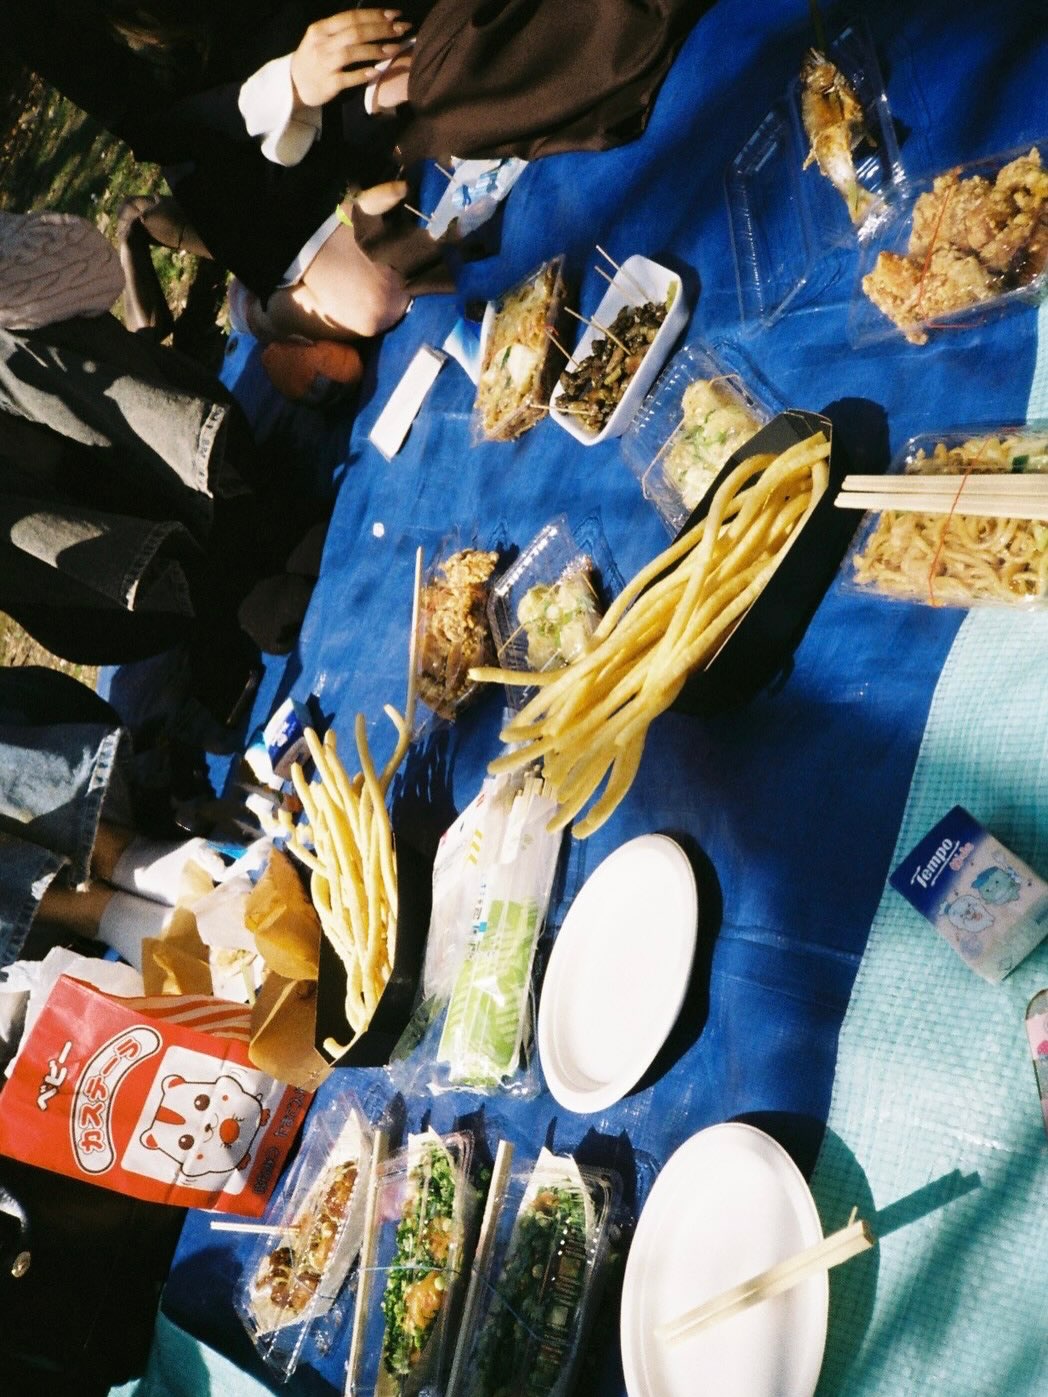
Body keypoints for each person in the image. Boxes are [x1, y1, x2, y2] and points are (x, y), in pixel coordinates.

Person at [10, 2, 712, 341]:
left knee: (445, 79)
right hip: (238, 133)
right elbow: (150, 122)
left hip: (359, 35)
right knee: (372, 300)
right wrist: (289, 84)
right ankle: (254, 300)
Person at [0, 208, 325, 675]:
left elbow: (88, 265)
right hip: (123, 591)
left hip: (187, 452)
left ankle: (243, 512)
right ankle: (213, 588)